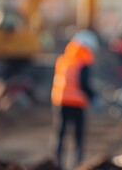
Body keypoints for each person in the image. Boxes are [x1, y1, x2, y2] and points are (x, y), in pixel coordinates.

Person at [51, 29, 100, 169]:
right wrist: (93, 97)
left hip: (60, 102)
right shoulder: (83, 61)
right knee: (78, 138)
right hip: (77, 103)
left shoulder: (63, 59)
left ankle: (57, 165)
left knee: (60, 134)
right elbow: (83, 83)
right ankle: (77, 166)